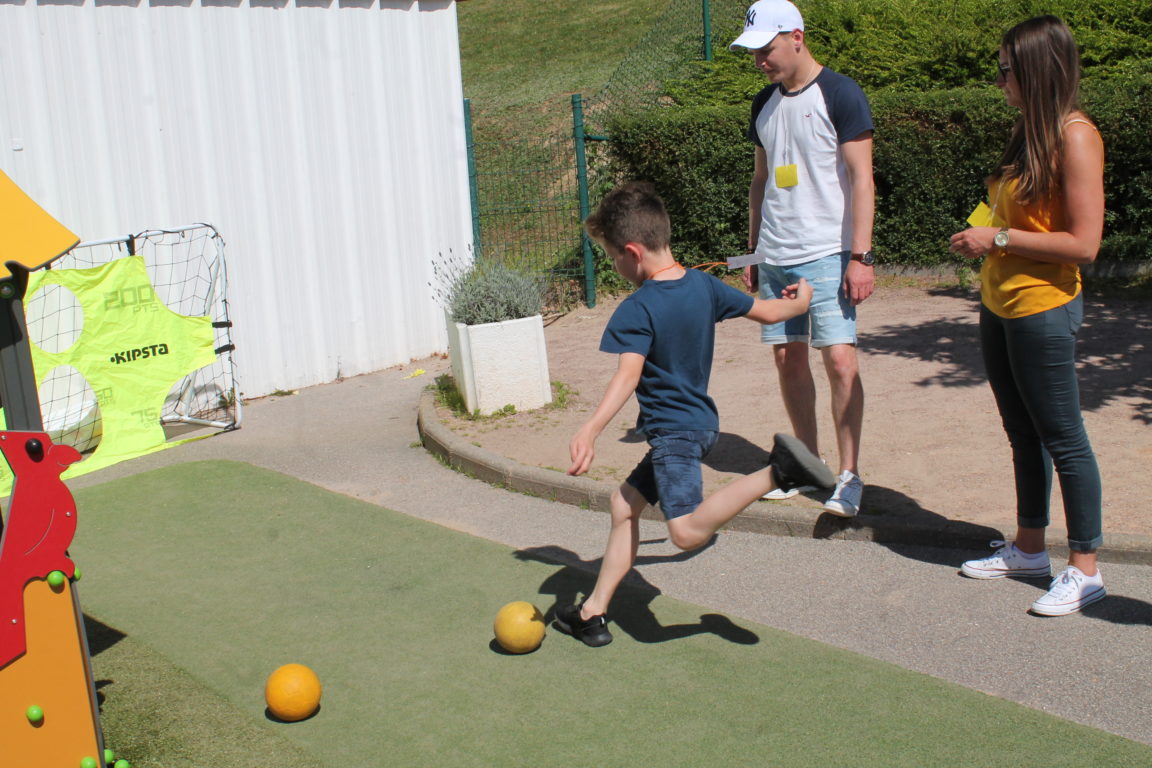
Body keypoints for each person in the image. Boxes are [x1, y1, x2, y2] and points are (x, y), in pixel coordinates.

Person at [556, 181, 835, 647]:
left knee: (685, 533)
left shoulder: (637, 308)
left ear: (632, 252)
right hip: (700, 426)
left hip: (675, 435)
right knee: (624, 505)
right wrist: (802, 300)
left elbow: (627, 376)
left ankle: (779, 472)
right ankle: (592, 612)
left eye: (612, 258)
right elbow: (771, 312)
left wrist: (590, 428)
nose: (615, 267)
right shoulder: (704, 286)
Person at [948, 16, 1106, 616]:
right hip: (999, 301)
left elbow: (1084, 244)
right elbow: (1008, 213)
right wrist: (988, 235)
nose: (999, 81)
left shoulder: (1076, 136)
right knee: (1021, 431)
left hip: (1044, 307)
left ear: (1039, 69)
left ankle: (1086, 569)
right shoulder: (1028, 131)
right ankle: (1030, 549)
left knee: (1064, 437)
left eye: (1006, 70)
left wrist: (999, 238)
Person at [730, 0, 876, 517]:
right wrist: (753, 249)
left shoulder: (841, 93)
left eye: (765, 50)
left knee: (840, 360)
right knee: (787, 358)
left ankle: (849, 475)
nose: (759, 61)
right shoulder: (762, 104)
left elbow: (862, 179)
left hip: (828, 254)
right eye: (753, 53)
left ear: (796, 37)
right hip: (775, 254)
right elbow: (760, 181)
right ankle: (808, 464)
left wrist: (861, 256)